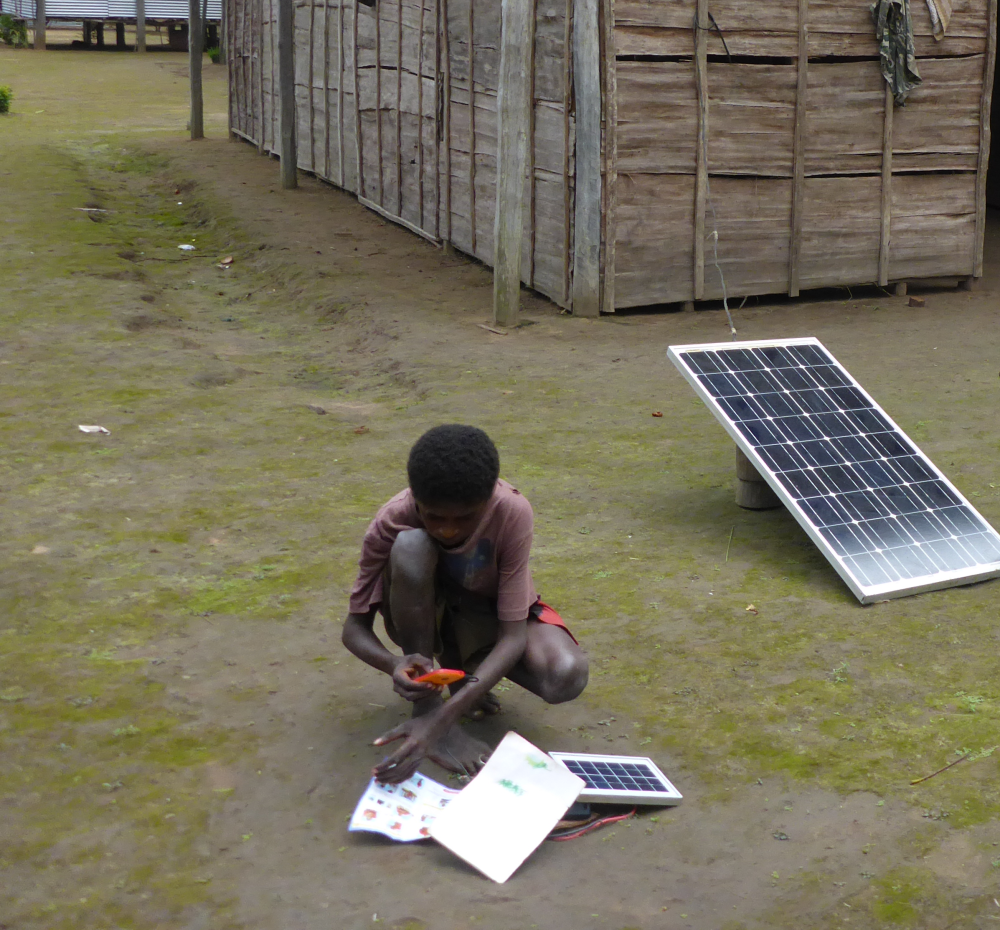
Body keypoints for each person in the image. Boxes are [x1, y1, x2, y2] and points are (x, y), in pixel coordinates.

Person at [342, 424, 588, 784]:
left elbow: (513, 637)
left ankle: (461, 680)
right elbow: (353, 629)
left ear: (489, 499)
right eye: (434, 517)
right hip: (421, 616)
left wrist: (444, 719)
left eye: (465, 518)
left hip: (485, 616)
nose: (447, 530)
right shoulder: (393, 518)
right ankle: (426, 701)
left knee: (565, 676)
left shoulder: (511, 511)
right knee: (411, 547)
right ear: (415, 500)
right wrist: (395, 664)